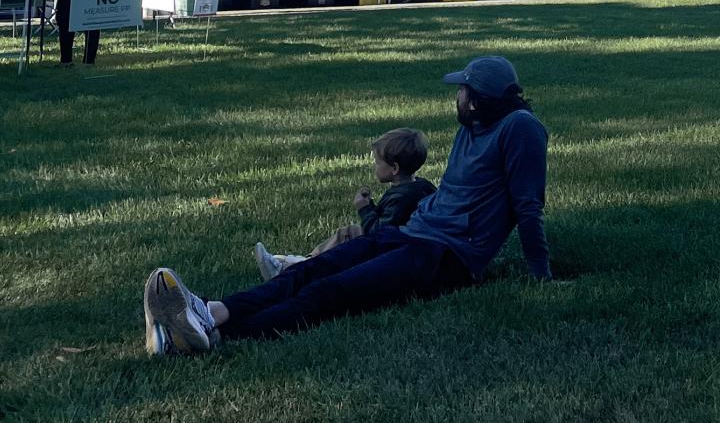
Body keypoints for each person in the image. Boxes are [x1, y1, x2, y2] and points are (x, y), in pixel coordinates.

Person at [143, 55, 550, 355]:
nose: (456, 97)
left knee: (332, 292)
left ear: (478, 99)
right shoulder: (472, 128)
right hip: (411, 233)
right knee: (312, 268)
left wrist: (542, 275)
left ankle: (205, 338)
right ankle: (212, 312)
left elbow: (527, 206)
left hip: (446, 256)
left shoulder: (520, 129)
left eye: (462, 90)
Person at [255, 127, 435, 278]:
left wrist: (364, 209)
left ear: (394, 168)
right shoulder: (422, 186)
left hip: (389, 252)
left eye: (377, 162)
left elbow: (380, 234)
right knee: (348, 232)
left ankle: (293, 269)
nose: (374, 166)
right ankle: (299, 262)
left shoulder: (402, 198)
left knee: (348, 234)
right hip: (406, 247)